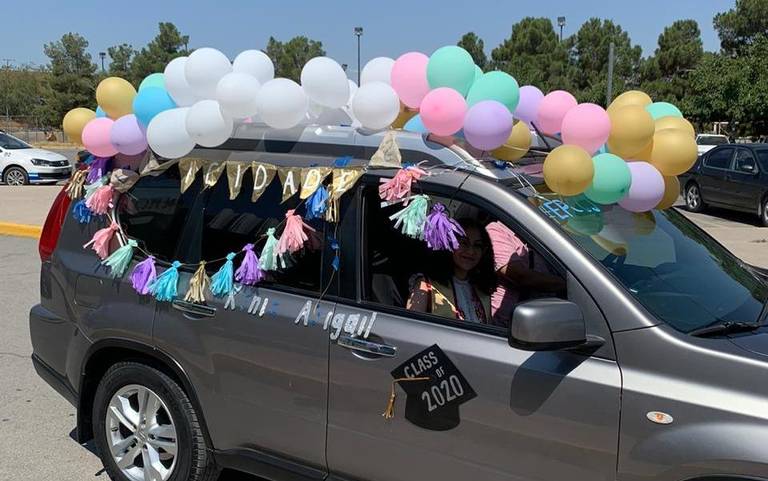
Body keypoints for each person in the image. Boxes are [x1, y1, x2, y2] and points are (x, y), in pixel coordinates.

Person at [407, 218, 496, 323]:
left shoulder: (482, 289)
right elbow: (411, 329)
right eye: (464, 243)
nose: (471, 251)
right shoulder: (425, 285)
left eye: (477, 245)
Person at [485, 221, 566, 326]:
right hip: (508, 327)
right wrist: (569, 285)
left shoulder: (538, 233)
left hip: (543, 319)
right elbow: (521, 276)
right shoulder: (496, 231)